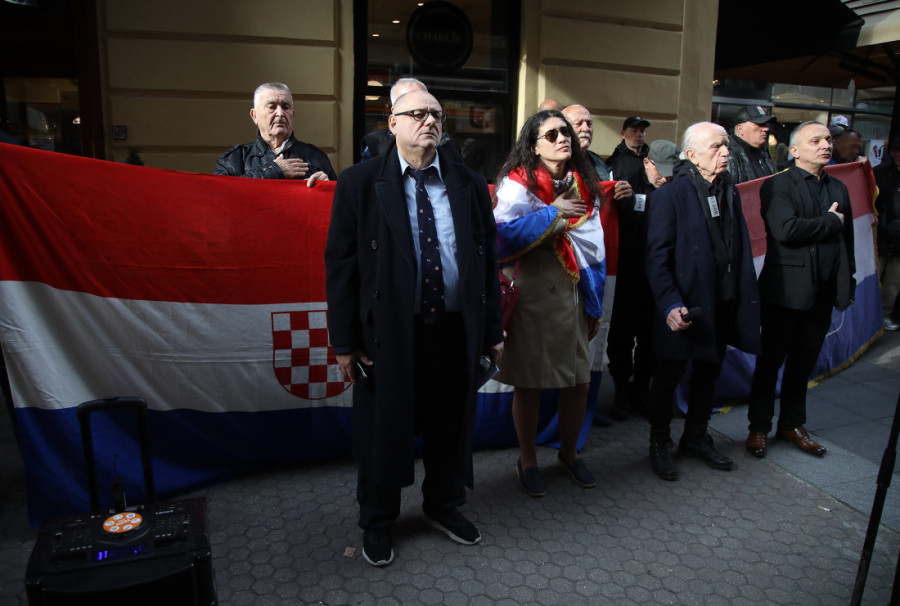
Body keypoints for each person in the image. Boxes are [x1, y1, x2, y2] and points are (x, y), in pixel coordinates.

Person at [324, 89, 504, 567]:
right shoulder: (360, 182)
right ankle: (378, 520)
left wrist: (492, 330)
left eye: (436, 115)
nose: (429, 122)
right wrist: (343, 340)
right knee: (384, 430)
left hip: (453, 329)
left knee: (450, 424)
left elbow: (485, 264)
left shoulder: (467, 184)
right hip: (388, 334)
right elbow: (340, 265)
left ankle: (443, 506)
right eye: (418, 114)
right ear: (393, 123)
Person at [492, 109, 607, 496]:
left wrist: (595, 303)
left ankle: (570, 453)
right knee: (530, 383)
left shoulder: (585, 184)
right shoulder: (517, 184)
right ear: (534, 145)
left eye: (567, 132)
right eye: (552, 133)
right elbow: (500, 239)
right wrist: (554, 215)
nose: (563, 138)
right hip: (534, 295)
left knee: (578, 381)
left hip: (575, 293)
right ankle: (527, 460)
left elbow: (594, 249)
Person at [644, 122, 760, 481]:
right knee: (667, 377)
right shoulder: (670, 195)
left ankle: (695, 436)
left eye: (726, 145)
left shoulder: (729, 191)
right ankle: (659, 443)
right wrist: (669, 304)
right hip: (683, 306)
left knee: (709, 374)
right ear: (692, 156)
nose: (725, 152)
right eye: (716, 147)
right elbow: (656, 258)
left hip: (721, 302)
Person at [747, 121, 856, 457]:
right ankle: (759, 428)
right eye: (815, 140)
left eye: (827, 139)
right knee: (770, 363)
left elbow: (845, 242)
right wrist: (829, 223)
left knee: (803, 364)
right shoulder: (777, 186)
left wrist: (847, 281)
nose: (825, 145)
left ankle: (791, 424)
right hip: (785, 293)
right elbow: (786, 230)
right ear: (794, 151)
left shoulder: (838, 188)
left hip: (822, 294)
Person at [561, 103, 632, 427]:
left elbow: (606, 206)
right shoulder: (551, 166)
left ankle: (584, 411)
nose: (587, 127)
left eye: (589, 122)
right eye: (579, 122)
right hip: (564, 270)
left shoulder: (599, 166)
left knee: (592, 337)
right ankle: (557, 418)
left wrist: (623, 193)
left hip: (595, 264)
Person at [605, 139, 680, 420]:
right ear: (647, 163)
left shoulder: (675, 190)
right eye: (660, 170)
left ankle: (641, 391)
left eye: (671, 172)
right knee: (621, 340)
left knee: (651, 341)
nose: (665, 177)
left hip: (659, 282)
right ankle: (621, 392)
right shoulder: (626, 187)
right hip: (628, 278)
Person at [215, 82, 335, 183]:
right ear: (254, 115)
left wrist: (328, 187)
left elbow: (340, 205)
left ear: (292, 115)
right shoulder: (234, 159)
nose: (280, 113)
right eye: (272, 106)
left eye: (286, 107)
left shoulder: (316, 157)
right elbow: (221, 196)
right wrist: (272, 170)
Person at [359, 78, 463, 164]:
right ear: (394, 117)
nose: (430, 121)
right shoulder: (375, 145)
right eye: (417, 113)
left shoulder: (449, 145)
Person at [874, 138, 900, 331]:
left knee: (893, 282)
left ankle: (884, 316)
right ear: (894, 152)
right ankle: (869, 317)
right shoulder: (879, 173)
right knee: (874, 277)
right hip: (879, 236)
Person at [726, 105, 777, 184]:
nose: (766, 129)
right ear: (740, 129)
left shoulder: (763, 152)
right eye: (759, 124)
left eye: (766, 125)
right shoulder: (728, 154)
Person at [607, 116, 650, 188]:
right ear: (623, 134)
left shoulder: (651, 158)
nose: (639, 134)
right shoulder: (614, 162)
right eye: (634, 131)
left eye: (642, 130)